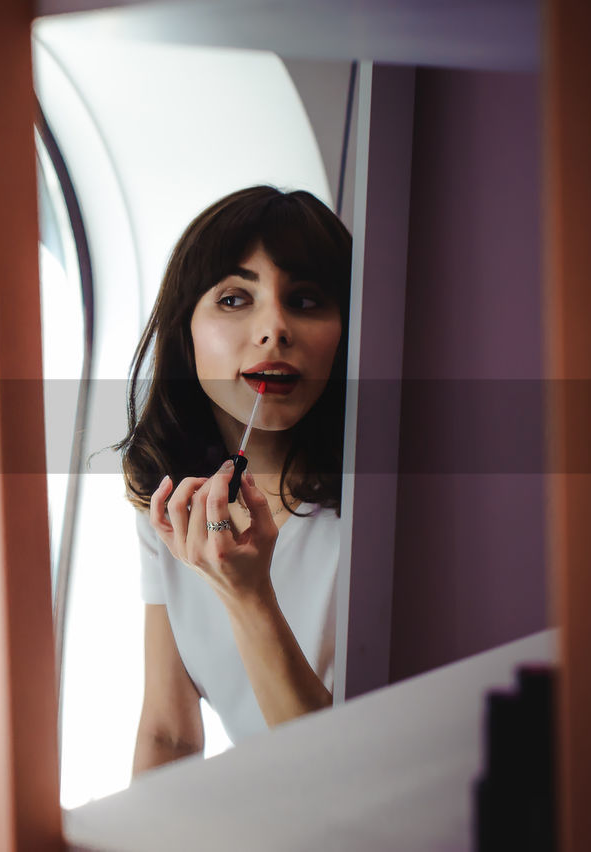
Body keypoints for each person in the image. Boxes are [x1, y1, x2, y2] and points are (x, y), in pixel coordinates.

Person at [118, 185, 350, 772]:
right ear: (183, 329)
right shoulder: (168, 505)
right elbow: (170, 735)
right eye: (233, 299)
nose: (274, 329)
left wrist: (248, 596)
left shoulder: (382, 511)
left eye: (304, 299)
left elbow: (342, 772)